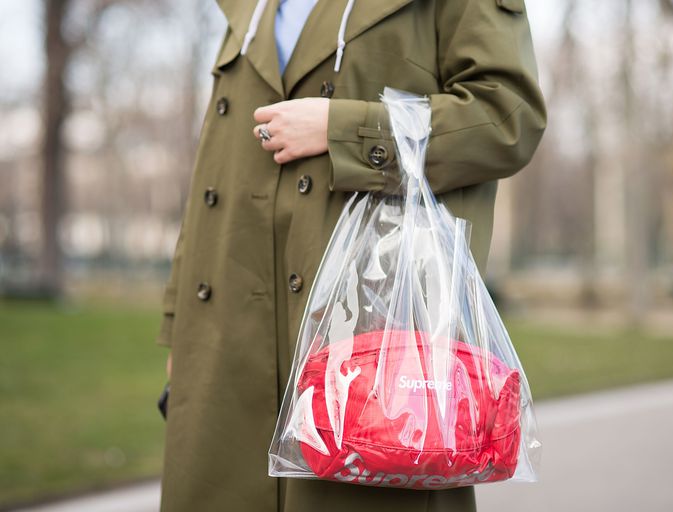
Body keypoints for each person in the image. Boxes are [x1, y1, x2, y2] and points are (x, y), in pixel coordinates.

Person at [156, 0, 547, 511]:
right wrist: (178, 333)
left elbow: (506, 117)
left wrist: (345, 130)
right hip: (224, 350)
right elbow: (213, 177)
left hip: (369, 351)